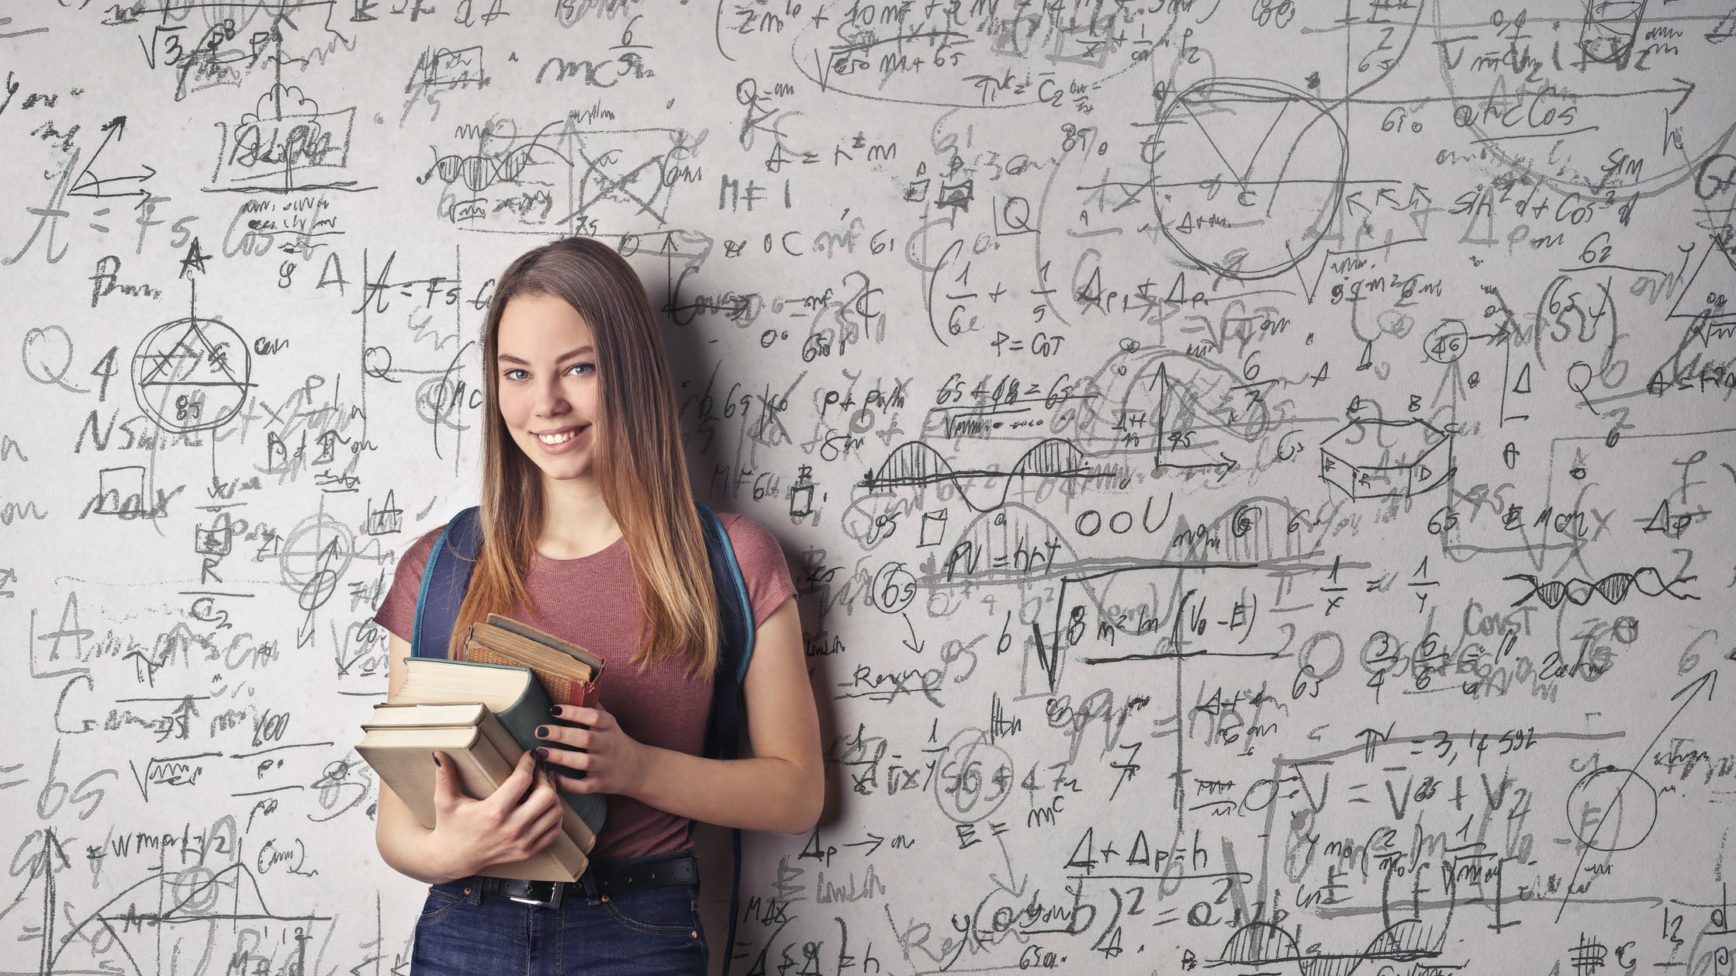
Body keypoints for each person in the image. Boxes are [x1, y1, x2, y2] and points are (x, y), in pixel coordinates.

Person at [370, 236, 824, 975]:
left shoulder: (732, 561)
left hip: (637, 936)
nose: (545, 403)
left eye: (578, 368)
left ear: (632, 373)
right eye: (517, 373)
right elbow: (398, 828)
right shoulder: (439, 568)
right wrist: (455, 848)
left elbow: (797, 793)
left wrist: (636, 768)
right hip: (464, 930)